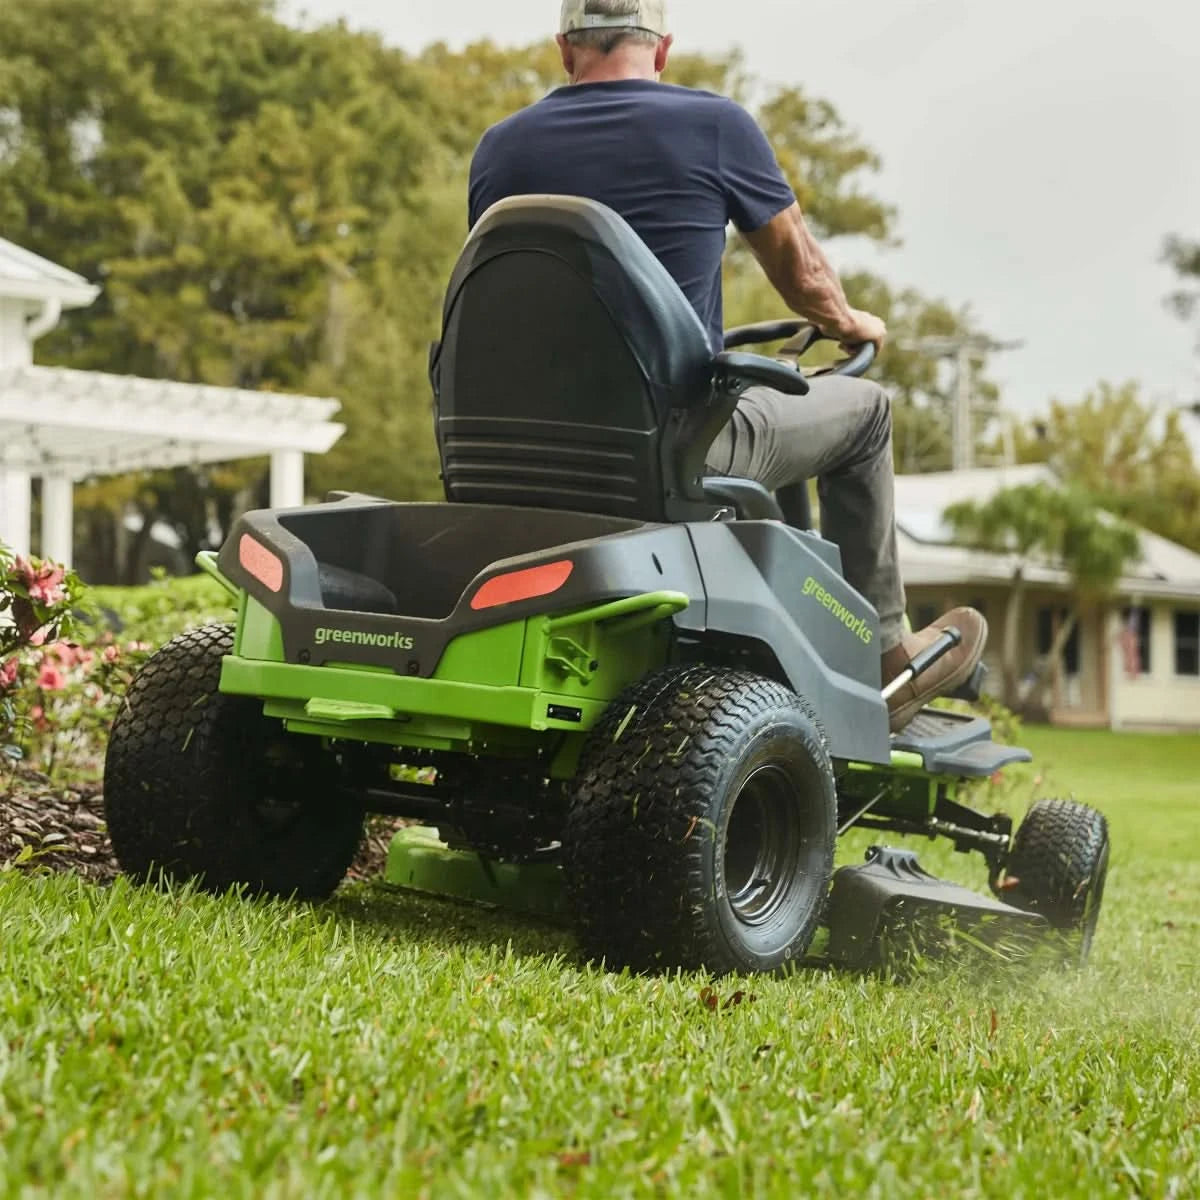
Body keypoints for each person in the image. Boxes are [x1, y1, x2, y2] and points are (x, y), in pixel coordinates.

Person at [467, 0, 987, 732]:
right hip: (669, 444)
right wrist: (849, 323)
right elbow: (801, 274)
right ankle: (884, 657)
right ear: (664, 48)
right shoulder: (714, 127)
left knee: (780, 405)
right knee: (865, 411)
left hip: (518, 447)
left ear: (564, 50)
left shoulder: (500, 151)